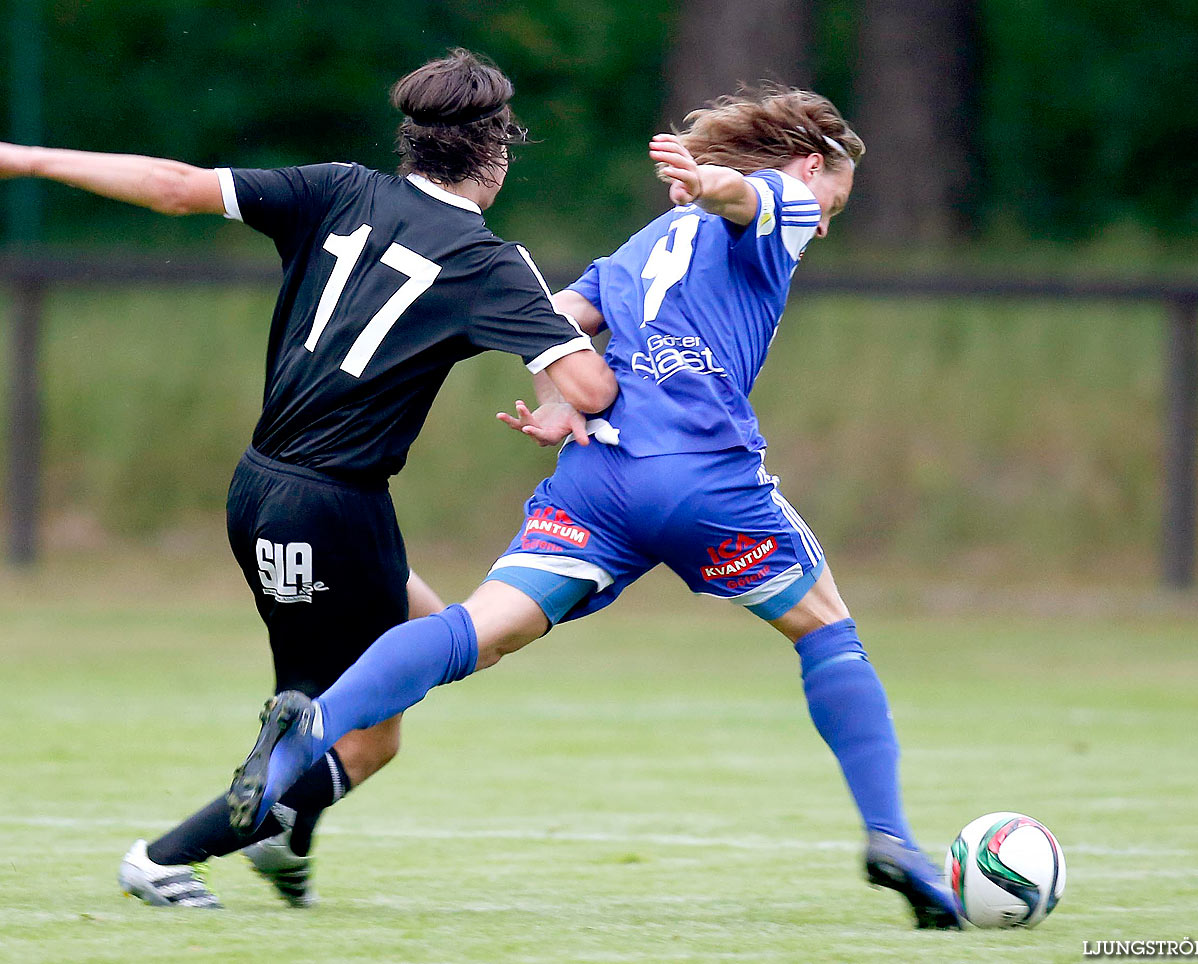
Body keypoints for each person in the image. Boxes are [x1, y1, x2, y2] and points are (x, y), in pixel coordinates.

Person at [224, 85, 962, 928]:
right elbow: (750, 197)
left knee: (480, 629)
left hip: (600, 476)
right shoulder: (781, 201)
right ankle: (892, 838)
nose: (827, 217)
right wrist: (714, 180)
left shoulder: (647, 240)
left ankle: (309, 730)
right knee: (828, 631)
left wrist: (558, 393)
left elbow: (557, 318)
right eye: (837, 195)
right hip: (702, 478)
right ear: (807, 165)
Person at [0, 48, 617, 909]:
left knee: (430, 643)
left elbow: (175, 185)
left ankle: (289, 838)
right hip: (335, 507)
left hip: (260, 487)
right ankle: (166, 856)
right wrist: (577, 341)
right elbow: (592, 387)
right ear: (498, 153)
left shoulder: (338, 187)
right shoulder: (488, 260)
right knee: (354, 730)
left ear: (411, 144)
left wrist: (25, 157)